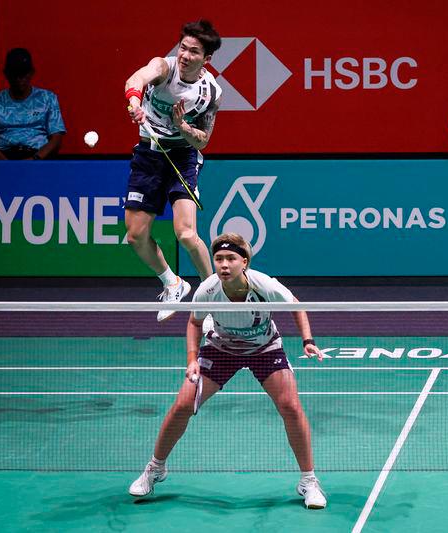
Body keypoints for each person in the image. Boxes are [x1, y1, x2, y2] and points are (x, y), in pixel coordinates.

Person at [128, 232, 328, 509]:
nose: (223, 264)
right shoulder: (207, 290)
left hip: (264, 348)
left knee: (291, 407)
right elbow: (195, 323)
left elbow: (295, 305)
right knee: (183, 404)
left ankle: (309, 481)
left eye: (230, 258)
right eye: (219, 258)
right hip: (220, 349)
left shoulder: (264, 285)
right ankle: (155, 468)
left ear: (244, 262)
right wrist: (192, 360)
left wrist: (308, 341)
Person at [123, 20, 223, 322]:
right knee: (135, 236)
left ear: (206, 59)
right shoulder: (163, 68)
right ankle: (172, 282)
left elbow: (203, 140)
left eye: (193, 52)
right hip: (149, 156)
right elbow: (136, 78)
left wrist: (182, 126)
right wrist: (134, 103)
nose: (184, 55)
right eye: (183, 48)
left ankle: (212, 301)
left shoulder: (210, 92)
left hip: (183, 157)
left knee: (187, 234)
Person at [0, 48, 65, 160]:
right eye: (14, 74)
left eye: (23, 73)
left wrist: (34, 160)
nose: (19, 78)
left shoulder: (48, 98)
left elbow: (56, 139)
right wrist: (6, 165)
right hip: (2, 156)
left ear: (32, 73)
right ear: (6, 74)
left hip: (37, 156)